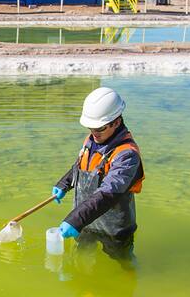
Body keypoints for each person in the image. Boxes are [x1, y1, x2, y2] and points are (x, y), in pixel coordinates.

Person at [51, 87, 144, 265]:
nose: (94, 133)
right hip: (86, 222)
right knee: (81, 259)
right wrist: (64, 184)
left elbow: (109, 193)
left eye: (99, 128)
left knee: (123, 263)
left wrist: (75, 219)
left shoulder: (127, 155)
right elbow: (81, 165)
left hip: (113, 227)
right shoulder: (93, 139)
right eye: (90, 127)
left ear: (116, 122)